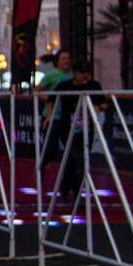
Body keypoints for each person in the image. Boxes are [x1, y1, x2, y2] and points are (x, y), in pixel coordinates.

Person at [55, 59, 107, 199]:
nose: (85, 76)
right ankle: (71, 186)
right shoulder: (64, 86)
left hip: (86, 130)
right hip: (67, 129)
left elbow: (104, 103)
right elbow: (52, 102)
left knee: (82, 159)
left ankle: (73, 187)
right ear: (74, 73)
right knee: (73, 158)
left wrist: (98, 107)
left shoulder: (94, 86)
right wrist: (50, 118)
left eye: (87, 72)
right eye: (82, 72)